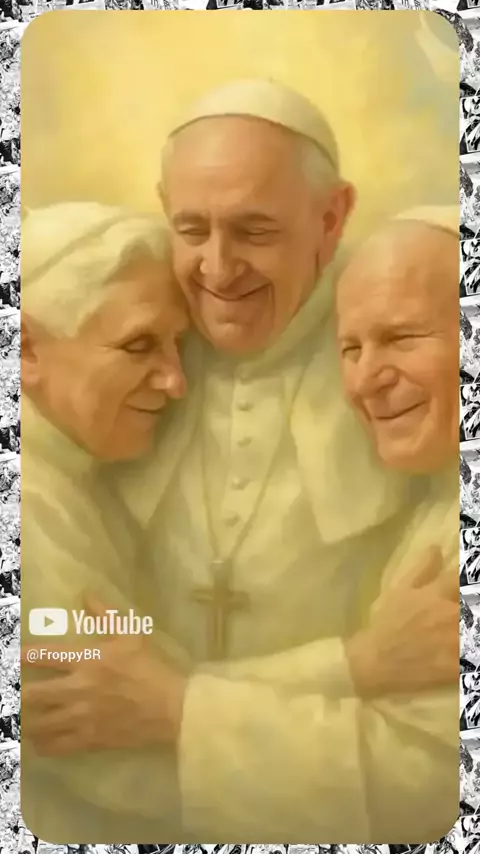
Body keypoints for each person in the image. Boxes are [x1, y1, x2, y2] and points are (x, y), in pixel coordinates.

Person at [23, 82, 458, 841]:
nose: (219, 271)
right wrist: (350, 665)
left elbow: (431, 765)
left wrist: (175, 707)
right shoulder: (80, 431)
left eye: (255, 230)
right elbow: (70, 698)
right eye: (192, 229)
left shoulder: (405, 402)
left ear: (332, 216)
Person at [21, 202, 191, 842]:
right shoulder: (29, 509)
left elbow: (162, 686)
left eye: (177, 346)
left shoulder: (79, 482)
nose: (176, 381)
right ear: (26, 349)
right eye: (139, 345)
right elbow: (116, 760)